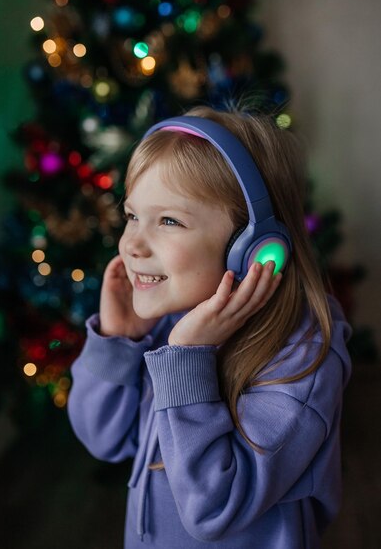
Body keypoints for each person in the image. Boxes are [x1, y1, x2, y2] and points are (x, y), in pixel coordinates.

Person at [67, 105, 352, 549]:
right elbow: (103, 438)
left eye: (169, 221)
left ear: (254, 250)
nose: (132, 243)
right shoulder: (170, 323)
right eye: (131, 215)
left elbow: (213, 509)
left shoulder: (302, 362)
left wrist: (187, 361)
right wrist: (119, 340)